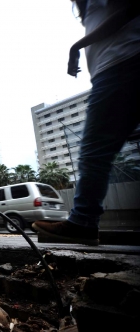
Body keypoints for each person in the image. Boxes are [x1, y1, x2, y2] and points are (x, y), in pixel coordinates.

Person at [32, 0, 140, 245]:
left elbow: (129, 9)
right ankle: (84, 220)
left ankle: (83, 220)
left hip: (122, 64)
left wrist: (77, 45)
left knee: (94, 152)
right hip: (117, 66)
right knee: (97, 152)